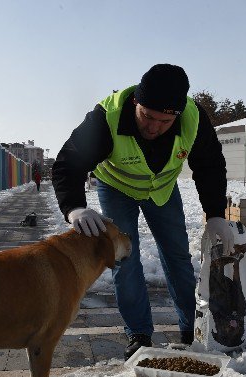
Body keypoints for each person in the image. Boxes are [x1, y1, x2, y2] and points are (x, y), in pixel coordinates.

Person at [52, 64, 234, 360]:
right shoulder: (106, 118)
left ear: (177, 113)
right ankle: (138, 334)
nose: (153, 127)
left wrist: (215, 214)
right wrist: (74, 208)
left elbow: (210, 166)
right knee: (126, 258)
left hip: (161, 190)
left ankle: (193, 330)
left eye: (164, 121)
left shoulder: (193, 118)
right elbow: (68, 163)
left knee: (177, 256)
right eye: (147, 116)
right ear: (136, 101)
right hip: (116, 187)